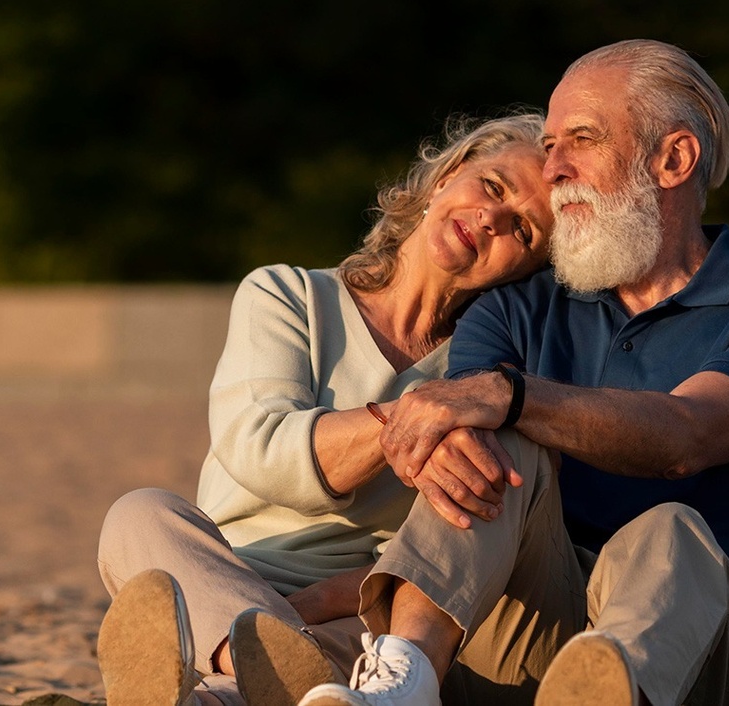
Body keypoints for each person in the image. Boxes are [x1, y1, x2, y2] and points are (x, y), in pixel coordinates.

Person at [288, 40, 729, 706]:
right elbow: (462, 446)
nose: (553, 170)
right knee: (494, 436)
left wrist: (512, 396)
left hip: (723, 651)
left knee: (666, 530)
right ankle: (403, 680)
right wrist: (491, 412)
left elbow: (686, 435)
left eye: (580, 139)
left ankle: (613, 684)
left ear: (673, 159)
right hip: (543, 632)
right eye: (549, 145)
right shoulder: (516, 307)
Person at [94, 111, 557, 706]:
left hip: (361, 607)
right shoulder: (288, 294)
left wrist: (317, 603)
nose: (492, 218)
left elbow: (457, 547)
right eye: (492, 186)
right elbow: (261, 448)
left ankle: (224, 678)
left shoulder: (490, 374)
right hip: (228, 570)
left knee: (343, 663)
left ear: (528, 269)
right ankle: (255, 659)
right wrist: (411, 416)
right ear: (446, 176)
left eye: (522, 229)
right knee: (138, 514)